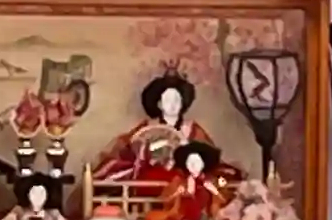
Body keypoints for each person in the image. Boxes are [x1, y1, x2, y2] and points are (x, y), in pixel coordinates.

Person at [89, 67, 240, 184]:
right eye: (167, 100)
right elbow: (129, 149)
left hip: (183, 177)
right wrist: (148, 151)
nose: (172, 105)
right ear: (159, 104)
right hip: (152, 176)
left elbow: (208, 156)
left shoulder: (192, 129)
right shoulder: (148, 126)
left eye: (176, 100)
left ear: (183, 103)